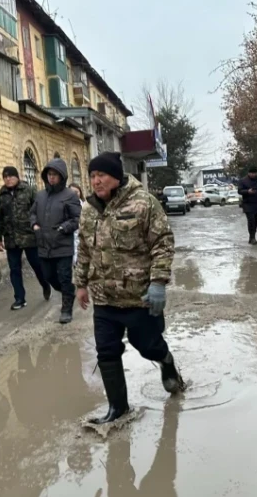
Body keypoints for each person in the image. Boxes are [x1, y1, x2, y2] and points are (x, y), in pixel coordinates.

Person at [75, 152, 185, 424]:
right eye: (92, 176)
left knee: (147, 346)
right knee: (106, 351)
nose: (95, 181)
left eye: (101, 175)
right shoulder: (89, 210)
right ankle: (118, 409)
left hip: (138, 297)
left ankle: (166, 361)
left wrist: (158, 283)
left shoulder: (143, 203)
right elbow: (85, 250)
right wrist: (80, 284)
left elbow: (162, 242)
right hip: (103, 298)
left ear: (116, 176)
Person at [30, 157, 82, 324]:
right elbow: (32, 213)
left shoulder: (69, 196)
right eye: (49, 174)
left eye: (55, 174)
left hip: (62, 245)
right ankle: (68, 292)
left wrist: (64, 228)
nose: (51, 177)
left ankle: (66, 309)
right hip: (44, 245)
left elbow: (77, 218)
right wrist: (34, 225)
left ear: (62, 176)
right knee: (49, 276)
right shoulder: (40, 195)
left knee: (64, 277)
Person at [0, 166, 51, 311]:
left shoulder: (28, 190)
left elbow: (39, 210)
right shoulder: (1, 195)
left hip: (29, 236)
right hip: (11, 238)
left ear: (17, 177)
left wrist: (39, 229)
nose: (8, 179)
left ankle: (45, 284)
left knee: (36, 264)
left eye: (10, 176)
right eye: (5, 177)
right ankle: (19, 298)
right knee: (14, 269)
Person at [237, 165, 257, 245]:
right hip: (247, 203)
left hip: (256, 203)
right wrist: (247, 191)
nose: (253, 175)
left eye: (254, 173)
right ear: (248, 173)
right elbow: (239, 191)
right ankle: (252, 237)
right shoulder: (243, 181)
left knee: (255, 221)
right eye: (251, 173)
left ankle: (252, 236)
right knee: (251, 220)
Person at [68, 183, 84, 265]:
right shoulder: (65, 206)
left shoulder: (85, 206)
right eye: (72, 192)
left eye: (76, 192)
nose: (74, 194)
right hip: (72, 238)